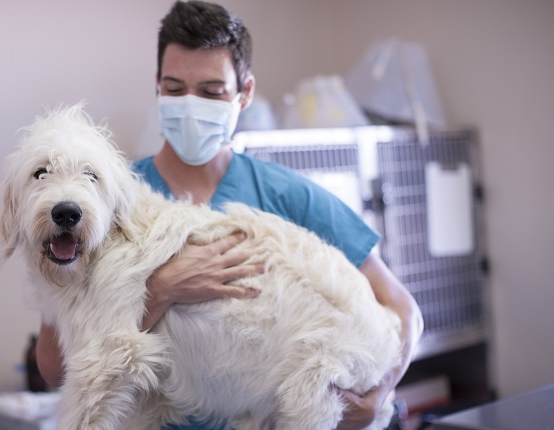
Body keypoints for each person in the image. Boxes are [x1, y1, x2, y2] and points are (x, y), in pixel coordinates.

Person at [36, 1, 424, 429]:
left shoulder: (286, 195)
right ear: (157, 89)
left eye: (211, 91)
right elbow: (57, 367)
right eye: (175, 88)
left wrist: (381, 394)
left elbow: (403, 308)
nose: (190, 104)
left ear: (245, 93)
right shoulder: (104, 197)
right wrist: (160, 290)